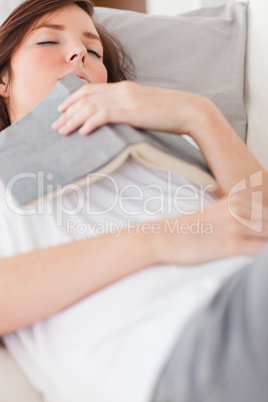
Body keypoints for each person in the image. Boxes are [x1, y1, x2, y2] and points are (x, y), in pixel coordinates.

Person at [0, 0, 267, 401]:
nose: (78, 53)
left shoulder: (165, 151)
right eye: (48, 41)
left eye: (93, 51)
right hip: (177, 355)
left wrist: (198, 114)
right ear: (2, 78)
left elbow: (260, 221)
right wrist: (163, 239)